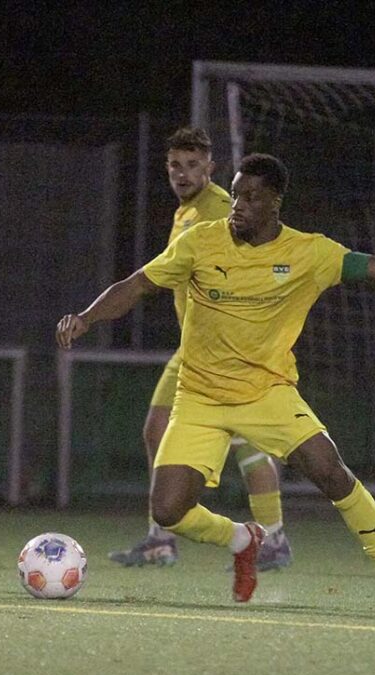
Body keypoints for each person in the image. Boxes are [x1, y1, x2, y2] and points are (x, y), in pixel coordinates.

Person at [57, 152, 375, 608]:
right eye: (235, 195)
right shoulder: (200, 243)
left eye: (251, 198)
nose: (238, 206)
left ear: (276, 203)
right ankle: (242, 540)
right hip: (199, 396)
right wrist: (87, 318)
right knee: (168, 511)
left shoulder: (308, 252)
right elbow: (136, 284)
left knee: (330, 471)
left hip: (266, 393)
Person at [108, 128, 292, 572]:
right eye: (176, 165)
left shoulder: (216, 209)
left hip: (225, 347)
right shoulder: (186, 212)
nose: (183, 173)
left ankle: (274, 538)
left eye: (193, 165)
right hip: (193, 346)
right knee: (156, 428)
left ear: (211, 169)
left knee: (246, 440)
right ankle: (161, 539)